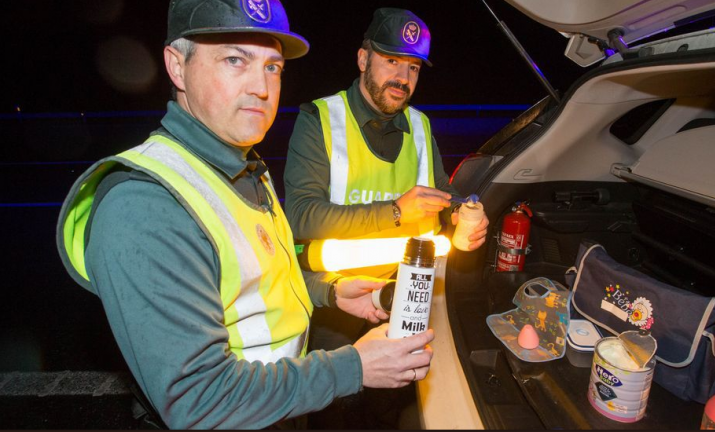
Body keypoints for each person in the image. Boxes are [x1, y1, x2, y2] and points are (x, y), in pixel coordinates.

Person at [55, 0, 434, 429]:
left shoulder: (242, 167)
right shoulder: (145, 204)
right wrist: (354, 367)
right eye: (235, 60)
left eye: (273, 67)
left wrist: (327, 291)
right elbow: (199, 400)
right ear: (177, 67)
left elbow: (255, 282)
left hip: (278, 410)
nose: (261, 87)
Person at [282, 7, 489, 428]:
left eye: (413, 67)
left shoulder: (419, 125)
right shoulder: (319, 119)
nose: (403, 78)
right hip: (336, 306)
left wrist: (465, 215)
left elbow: (440, 195)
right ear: (363, 59)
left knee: (388, 411)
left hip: (406, 299)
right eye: (391, 61)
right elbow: (301, 217)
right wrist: (395, 211)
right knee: (334, 416)